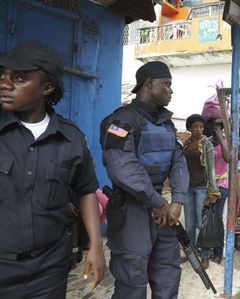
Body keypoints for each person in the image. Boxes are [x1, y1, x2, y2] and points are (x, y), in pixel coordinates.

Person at [0, 41, 105, 298]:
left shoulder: (72, 139)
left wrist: (96, 245)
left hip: (49, 269)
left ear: (47, 87)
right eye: (2, 75)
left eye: (19, 77)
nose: (4, 83)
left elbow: (87, 190)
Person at [100, 61, 189, 298]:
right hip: (132, 212)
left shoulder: (167, 124)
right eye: (167, 85)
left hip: (163, 213)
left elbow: (178, 161)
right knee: (132, 282)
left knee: (168, 277)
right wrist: (156, 202)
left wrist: (178, 200)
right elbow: (123, 166)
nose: (171, 91)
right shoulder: (121, 121)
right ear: (149, 84)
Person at [182, 114, 220, 266]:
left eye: (201, 126)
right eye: (195, 127)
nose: (198, 129)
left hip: (202, 188)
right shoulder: (186, 144)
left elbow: (211, 169)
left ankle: (205, 256)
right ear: (189, 128)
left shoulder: (207, 145)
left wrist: (213, 191)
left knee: (203, 224)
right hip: (187, 188)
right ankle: (190, 255)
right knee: (189, 224)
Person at [202, 117, 229, 267]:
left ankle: (218, 253)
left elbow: (227, 158)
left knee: (217, 219)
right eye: (213, 125)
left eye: (219, 125)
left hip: (222, 186)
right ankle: (206, 251)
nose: (216, 128)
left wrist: (220, 138)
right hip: (206, 186)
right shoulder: (206, 142)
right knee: (206, 220)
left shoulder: (227, 142)